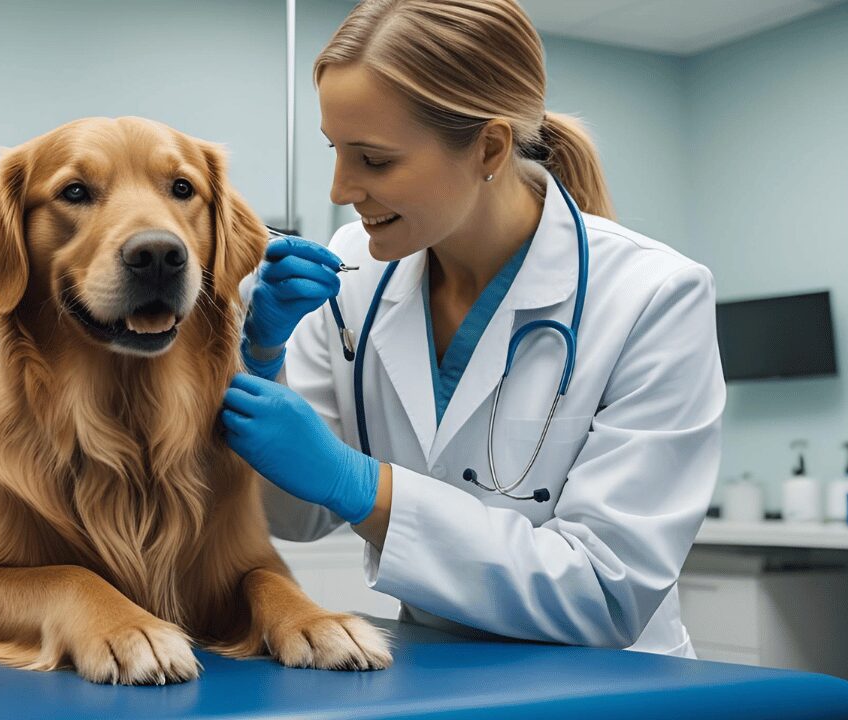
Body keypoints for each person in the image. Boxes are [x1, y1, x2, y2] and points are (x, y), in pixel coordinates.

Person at [218, 0, 724, 657]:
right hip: (435, 671)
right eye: (336, 151)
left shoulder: (654, 296)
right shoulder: (355, 277)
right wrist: (261, 357)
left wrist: (359, 483)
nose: (341, 188)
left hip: (607, 685)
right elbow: (296, 517)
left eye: (373, 160)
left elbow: (606, 591)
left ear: (488, 146)